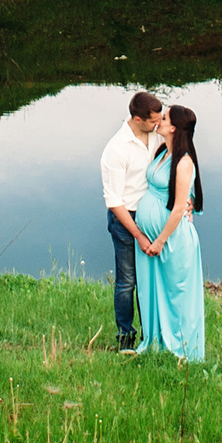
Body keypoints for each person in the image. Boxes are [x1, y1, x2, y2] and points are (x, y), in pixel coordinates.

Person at [135, 104, 205, 361]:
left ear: (173, 127)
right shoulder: (163, 151)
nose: (159, 120)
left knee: (177, 295)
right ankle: (155, 342)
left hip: (170, 241)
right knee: (152, 291)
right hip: (150, 239)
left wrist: (160, 241)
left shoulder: (184, 162)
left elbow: (178, 208)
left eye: (163, 118)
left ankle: (182, 349)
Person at [99, 91, 163, 353]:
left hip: (152, 215)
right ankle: (125, 337)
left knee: (151, 280)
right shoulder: (116, 149)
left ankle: (152, 335)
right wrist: (138, 234)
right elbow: (114, 202)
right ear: (138, 119)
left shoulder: (157, 134)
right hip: (126, 219)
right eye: (153, 121)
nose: (158, 124)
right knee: (127, 282)